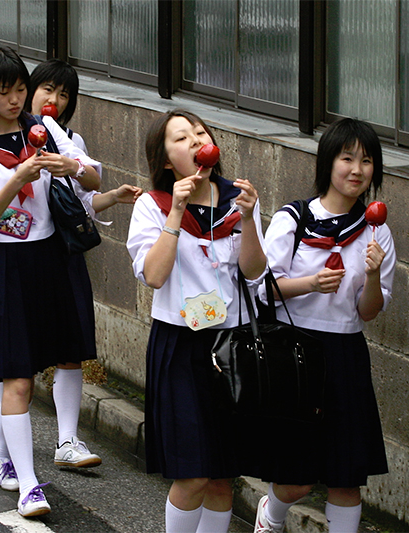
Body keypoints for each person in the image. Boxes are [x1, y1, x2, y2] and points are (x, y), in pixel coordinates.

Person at [0, 46, 112, 518]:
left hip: (45, 259)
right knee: (17, 375)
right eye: (5, 92)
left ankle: (3, 456)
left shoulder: (44, 131)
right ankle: (28, 485)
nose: (16, 99)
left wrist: (71, 167)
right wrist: (17, 176)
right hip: (1, 264)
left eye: (20, 89)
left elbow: (94, 176)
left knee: (41, 365)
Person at [0, 58, 139, 475]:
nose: (54, 99)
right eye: (47, 89)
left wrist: (103, 189)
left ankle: (66, 440)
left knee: (71, 346)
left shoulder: (63, 138)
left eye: (64, 94)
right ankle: (5, 454)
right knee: (17, 360)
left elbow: (83, 198)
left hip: (60, 253)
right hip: (14, 254)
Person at [252, 118, 396, 533]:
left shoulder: (376, 231)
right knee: (296, 481)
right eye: (347, 158)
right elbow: (264, 290)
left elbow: (369, 312)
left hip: (346, 355)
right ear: (328, 163)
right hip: (295, 354)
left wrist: (372, 275)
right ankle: (271, 515)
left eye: (367, 161)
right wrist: (311, 283)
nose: (357, 169)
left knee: (346, 477)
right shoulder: (292, 219)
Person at [127, 109, 267, 533]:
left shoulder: (237, 201)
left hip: (232, 345)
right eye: (181, 137)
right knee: (193, 474)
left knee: (222, 476)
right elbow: (153, 275)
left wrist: (247, 218)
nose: (194, 141)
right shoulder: (153, 206)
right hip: (181, 345)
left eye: (200, 133)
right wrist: (177, 213)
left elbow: (255, 272)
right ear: (167, 160)